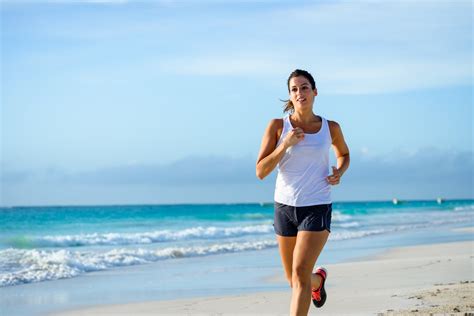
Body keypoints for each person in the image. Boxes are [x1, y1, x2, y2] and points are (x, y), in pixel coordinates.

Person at [256, 69, 350, 316]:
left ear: (315, 92)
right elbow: (261, 171)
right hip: (284, 208)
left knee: (299, 275)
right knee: (294, 280)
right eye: (294, 89)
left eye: (304, 87)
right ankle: (317, 282)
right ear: (290, 96)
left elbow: (344, 154)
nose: (300, 93)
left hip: (317, 204)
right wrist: (284, 145)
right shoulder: (278, 127)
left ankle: (312, 281)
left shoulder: (330, 128)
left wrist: (339, 171)